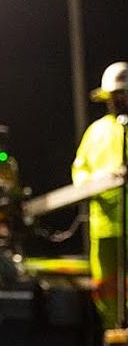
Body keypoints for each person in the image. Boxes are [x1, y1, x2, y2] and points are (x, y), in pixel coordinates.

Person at [72, 62, 128, 331]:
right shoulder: (97, 132)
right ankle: (112, 333)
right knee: (106, 286)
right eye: (117, 95)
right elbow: (80, 171)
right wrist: (97, 182)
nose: (120, 100)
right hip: (104, 226)